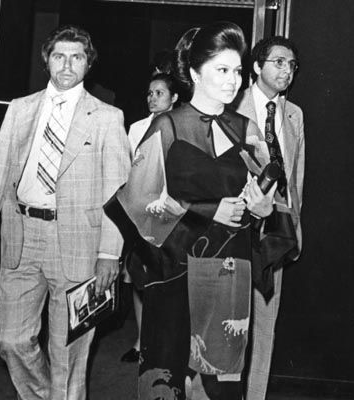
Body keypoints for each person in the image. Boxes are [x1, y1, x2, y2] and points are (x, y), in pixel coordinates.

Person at [105, 21, 297, 400]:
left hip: (229, 276)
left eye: (237, 70)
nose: (232, 80)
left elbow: (276, 207)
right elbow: (137, 205)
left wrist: (263, 210)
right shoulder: (168, 126)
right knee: (168, 381)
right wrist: (205, 211)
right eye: (221, 70)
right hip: (174, 272)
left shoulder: (248, 131)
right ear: (194, 74)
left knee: (220, 385)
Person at [0, 25, 130, 400]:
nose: (67, 65)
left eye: (76, 57)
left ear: (87, 64)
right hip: (21, 237)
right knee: (10, 340)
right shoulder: (20, 109)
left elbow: (117, 192)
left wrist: (110, 254)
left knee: (69, 353)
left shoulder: (107, 117)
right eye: (59, 56)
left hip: (79, 245)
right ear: (47, 60)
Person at [232, 36, 304, 400]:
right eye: (278, 62)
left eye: (291, 65)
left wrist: (292, 228)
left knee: (265, 330)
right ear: (257, 67)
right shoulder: (231, 105)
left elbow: (296, 180)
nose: (286, 71)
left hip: (274, 236)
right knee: (229, 330)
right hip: (234, 231)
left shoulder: (293, 115)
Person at [120, 72, 179, 363]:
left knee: (166, 280)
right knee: (138, 276)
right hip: (141, 211)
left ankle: (164, 346)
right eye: (149, 93)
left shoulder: (181, 125)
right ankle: (141, 341)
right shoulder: (136, 128)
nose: (152, 98)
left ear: (174, 97)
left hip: (170, 213)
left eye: (159, 93)